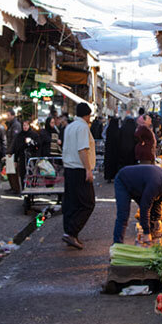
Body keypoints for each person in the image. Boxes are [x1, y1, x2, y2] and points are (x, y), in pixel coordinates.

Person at [113, 165, 162, 244]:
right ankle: (117, 243)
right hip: (124, 181)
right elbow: (145, 208)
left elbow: (157, 203)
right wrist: (146, 232)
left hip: (139, 186)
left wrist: (157, 220)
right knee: (123, 215)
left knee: (151, 212)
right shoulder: (156, 183)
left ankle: (152, 234)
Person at [61, 102, 96, 250]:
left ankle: (69, 230)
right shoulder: (82, 127)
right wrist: (88, 169)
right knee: (88, 203)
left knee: (72, 202)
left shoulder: (69, 126)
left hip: (69, 169)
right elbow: (82, 149)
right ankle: (72, 232)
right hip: (79, 169)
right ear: (87, 115)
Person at [13, 120, 40, 190]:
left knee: (32, 172)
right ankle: (24, 188)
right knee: (23, 173)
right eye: (24, 125)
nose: (25, 127)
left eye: (26, 125)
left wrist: (30, 142)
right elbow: (16, 148)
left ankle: (32, 188)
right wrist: (15, 160)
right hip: (22, 157)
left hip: (32, 157)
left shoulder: (34, 134)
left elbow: (38, 144)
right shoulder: (19, 135)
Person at [4, 108, 22, 193]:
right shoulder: (10, 125)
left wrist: (11, 151)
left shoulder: (16, 125)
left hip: (13, 152)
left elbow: (15, 139)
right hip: (9, 151)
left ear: (13, 115)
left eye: (8, 115)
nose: (7, 117)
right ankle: (12, 187)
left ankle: (16, 188)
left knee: (13, 171)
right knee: (9, 170)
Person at [104, 116, 120, 182]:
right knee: (115, 163)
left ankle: (108, 177)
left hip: (108, 149)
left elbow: (104, 135)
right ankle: (114, 176)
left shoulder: (108, 129)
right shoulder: (118, 130)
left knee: (108, 163)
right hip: (116, 150)